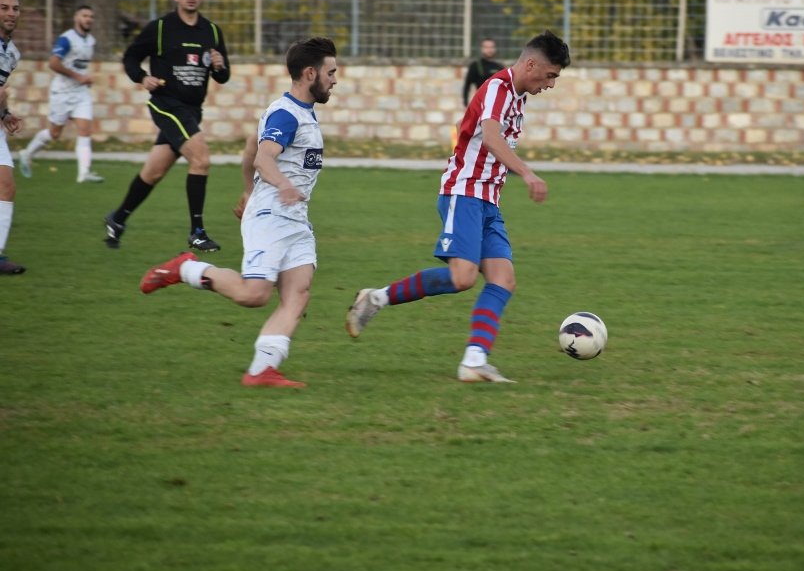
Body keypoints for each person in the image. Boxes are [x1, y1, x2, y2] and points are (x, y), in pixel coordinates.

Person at [346, 30, 571, 383]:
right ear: (531, 64)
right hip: (463, 194)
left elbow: (473, 128)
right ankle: (376, 298)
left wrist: (465, 136)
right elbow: (493, 137)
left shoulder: (517, 96)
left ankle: (474, 361)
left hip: (487, 200)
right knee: (463, 277)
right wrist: (526, 173)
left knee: (503, 279)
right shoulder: (499, 87)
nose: (551, 84)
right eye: (551, 75)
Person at [139, 37, 339, 388]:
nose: (335, 80)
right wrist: (279, 185)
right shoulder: (285, 113)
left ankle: (262, 370)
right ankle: (186, 268)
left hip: (294, 218)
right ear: (310, 73)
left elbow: (250, 147)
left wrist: (249, 189)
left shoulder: (297, 112)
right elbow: (263, 157)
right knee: (254, 295)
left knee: (299, 293)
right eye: (331, 72)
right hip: (273, 214)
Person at [104, 0, 230, 251]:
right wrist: (141, 77)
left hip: (192, 110)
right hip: (166, 105)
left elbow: (223, 76)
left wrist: (219, 66)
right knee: (201, 159)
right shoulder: (160, 28)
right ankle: (197, 231)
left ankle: (118, 219)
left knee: (154, 172)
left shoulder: (211, 31)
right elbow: (131, 56)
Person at [19, 5, 103, 183]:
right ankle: (27, 153)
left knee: (85, 129)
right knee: (54, 133)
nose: (88, 19)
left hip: (80, 94)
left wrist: (83, 78)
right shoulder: (67, 39)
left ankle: (84, 173)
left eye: (91, 16)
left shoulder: (91, 41)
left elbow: (80, 64)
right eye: (84, 15)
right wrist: (77, 76)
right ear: (76, 18)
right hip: (61, 93)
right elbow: (53, 63)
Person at [0, 0, 26, 275]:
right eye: (4, 7)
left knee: (6, 186)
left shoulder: (13, 53)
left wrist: (5, 114)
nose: (10, 13)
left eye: (15, 8)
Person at [462, 37, 504, 106]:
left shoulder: (499, 67)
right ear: (482, 49)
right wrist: (466, 104)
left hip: (497, 105)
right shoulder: (476, 66)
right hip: (481, 104)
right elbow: (467, 85)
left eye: (491, 47)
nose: (489, 50)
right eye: (486, 47)